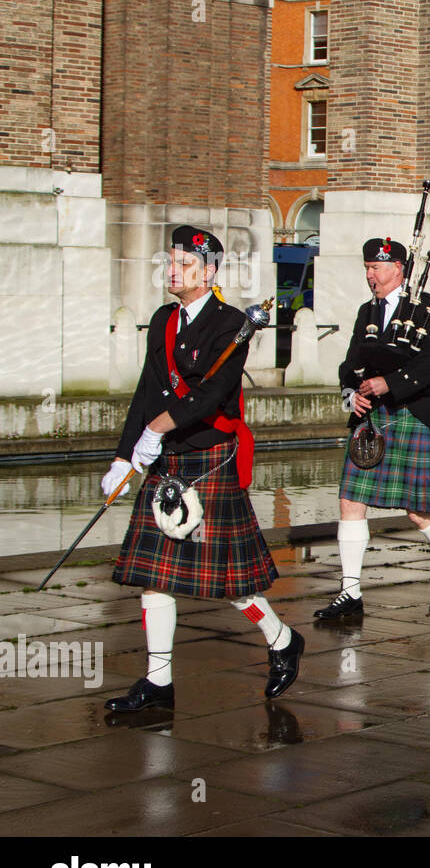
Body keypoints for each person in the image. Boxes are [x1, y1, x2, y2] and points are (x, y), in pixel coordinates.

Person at [103, 225, 303, 711]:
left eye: (183, 264)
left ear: (209, 271)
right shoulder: (162, 319)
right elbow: (148, 391)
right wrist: (126, 454)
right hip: (166, 457)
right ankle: (158, 682)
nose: (173, 271)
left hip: (208, 457)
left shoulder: (231, 324)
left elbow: (212, 394)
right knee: (155, 577)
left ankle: (281, 639)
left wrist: (159, 428)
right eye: (170, 262)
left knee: (227, 584)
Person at [317, 236, 430, 621]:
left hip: (408, 414)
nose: (371, 275)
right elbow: (350, 362)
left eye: (378, 268)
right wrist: (350, 393)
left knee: (419, 512)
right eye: (368, 267)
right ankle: (350, 593)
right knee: (350, 501)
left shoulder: (424, 308)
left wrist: (391, 383)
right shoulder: (365, 311)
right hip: (370, 419)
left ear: (398, 269)